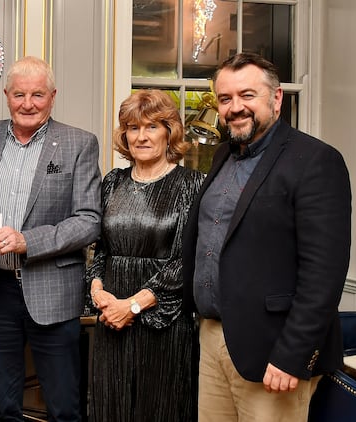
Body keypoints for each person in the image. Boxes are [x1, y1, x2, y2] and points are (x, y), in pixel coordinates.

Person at [182, 53, 352, 421]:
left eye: (247, 95)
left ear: (276, 99)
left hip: (273, 349)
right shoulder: (223, 154)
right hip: (214, 338)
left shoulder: (316, 160)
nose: (235, 108)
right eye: (225, 99)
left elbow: (324, 274)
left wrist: (292, 355)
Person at [0, 56, 101, 421]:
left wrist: (27, 241)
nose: (28, 103)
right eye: (19, 94)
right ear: (6, 95)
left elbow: (89, 221)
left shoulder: (78, 143)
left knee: (64, 407)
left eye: (38, 94)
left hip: (53, 291)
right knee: (3, 406)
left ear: (53, 96)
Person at [85, 89, 202, 421]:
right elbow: (101, 248)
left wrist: (133, 305)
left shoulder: (190, 184)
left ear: (169, 132)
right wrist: (99, 293)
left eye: (152, 127)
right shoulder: (112, 182)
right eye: (133, 128)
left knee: (159, 408)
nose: (141, 136)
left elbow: (186, 260)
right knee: (112, 406)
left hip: (163, 325)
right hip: (111, 321)